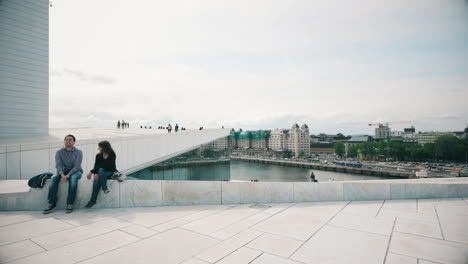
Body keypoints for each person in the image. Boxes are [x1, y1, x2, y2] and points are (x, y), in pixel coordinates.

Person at [43, 135, 83, 214]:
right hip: (63, 171)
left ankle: (70, 204)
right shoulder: (59, 152)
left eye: (70, 140)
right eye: (66, 139)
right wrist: (62, 174)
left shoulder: (79, 152)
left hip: (76, 172)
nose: (68, 141)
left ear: (74, 142)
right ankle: (51, 203)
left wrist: (68, 175)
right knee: (53, 178)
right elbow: (59, 165)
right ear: (64, 141)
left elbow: (77, 166)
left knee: (73, 179)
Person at [85, 140, 117, 208]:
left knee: (101, 169)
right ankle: (95, 198)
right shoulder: (98, 155)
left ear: (104, 147)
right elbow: (96, 166)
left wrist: (91, 172)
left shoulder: (112, 154)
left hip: (110, 172)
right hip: (101, 173)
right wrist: (96, 173)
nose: (98, 148)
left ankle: (94, 199)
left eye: (99, 147)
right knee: (97, 180)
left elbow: (106, 165)